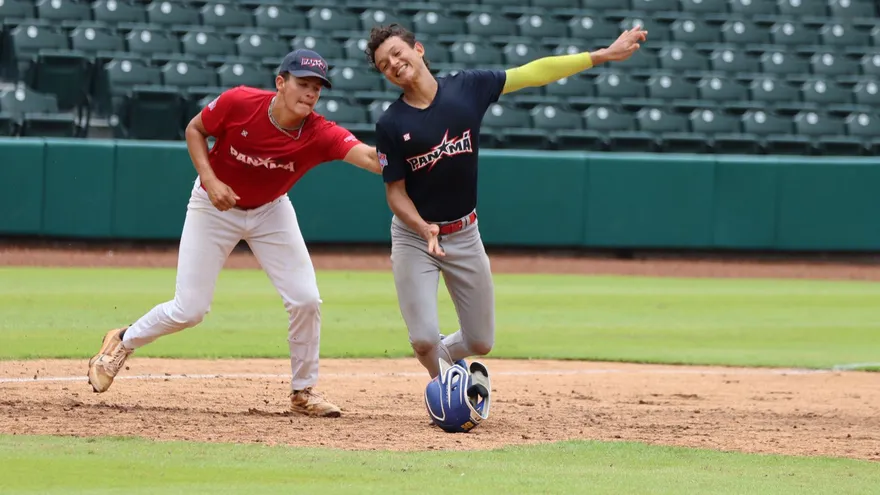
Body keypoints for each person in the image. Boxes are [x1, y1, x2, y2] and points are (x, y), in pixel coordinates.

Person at [87, 49, 383, 418]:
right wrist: (210, 180)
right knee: (190, 309)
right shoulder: (240, 102)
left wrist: (413, 157)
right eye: (303, 83)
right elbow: (195, 129)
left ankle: (303, 391)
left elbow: (369, 157)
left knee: (306, 299)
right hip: (213, 206)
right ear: (281, 82)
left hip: (271, 211)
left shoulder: (319, 132)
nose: (310, 93)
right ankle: (123, 340)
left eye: (317, 87)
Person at [364, 24, 648, 378]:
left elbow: (532, 73)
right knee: (423, 339)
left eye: (397, 53)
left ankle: (449, 368)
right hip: (415, 238)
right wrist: (423, 228)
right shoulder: (391, 123)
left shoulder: (467, 88)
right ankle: (448, 389)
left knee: (480, 341)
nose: (393, 63)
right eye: (384, 64)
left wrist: (601, 56)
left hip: (464, 233)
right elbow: (395, 192)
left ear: (418, 49)